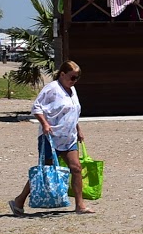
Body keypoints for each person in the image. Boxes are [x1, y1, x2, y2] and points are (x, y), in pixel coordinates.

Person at [12, 60, 93, 216]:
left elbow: (73, 112)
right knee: (45, 170)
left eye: (77, 78)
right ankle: (19, 201)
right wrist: (44, 124)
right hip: (50, 137)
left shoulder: (72, 90)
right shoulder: (52, 89)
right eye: (72, 77)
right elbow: (36, 107)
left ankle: (80, 205)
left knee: (76, 168)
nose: (74, 81)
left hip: (69, 137)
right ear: (62, 74)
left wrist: (78, 129)